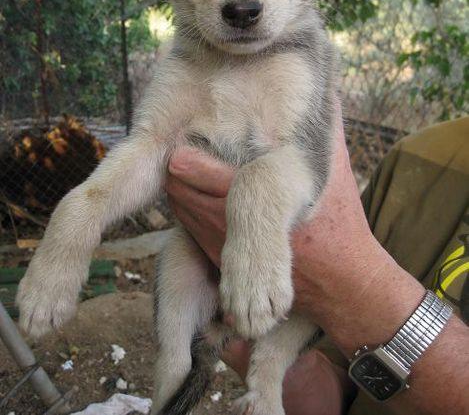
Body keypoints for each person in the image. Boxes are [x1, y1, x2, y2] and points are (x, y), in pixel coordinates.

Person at [164, 115, 469, 415]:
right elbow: (341, 387)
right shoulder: (419, 158)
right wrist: (272, 368)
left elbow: (340, 279)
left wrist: (355, 288)